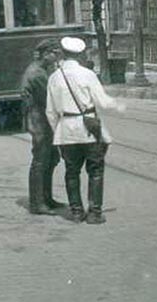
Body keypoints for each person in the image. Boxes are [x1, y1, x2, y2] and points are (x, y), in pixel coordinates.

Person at [46, 36, 125, 225]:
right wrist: (119, 105)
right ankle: (94, 213)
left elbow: (50, 111)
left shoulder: (54, 78)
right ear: (81, 55)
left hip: (65, 131)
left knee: (71, 172)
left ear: (63, 54)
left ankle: (76, 212)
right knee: (95, 170)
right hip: (89, 130)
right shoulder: (87, 74)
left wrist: (59, 130)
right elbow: (102, 102)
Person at [21, 39, 63, 215]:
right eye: (55, 53)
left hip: (41, 119)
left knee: (51, 158)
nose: (57, 57)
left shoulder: (40, 70)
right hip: (39, 120)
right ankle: (37, 203)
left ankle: (46, 198)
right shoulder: (37, 74)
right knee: (41, 160)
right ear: (46, 54)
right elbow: (50, 97)